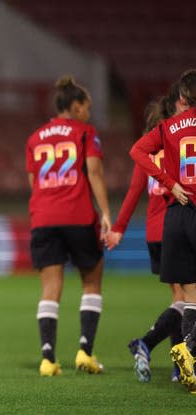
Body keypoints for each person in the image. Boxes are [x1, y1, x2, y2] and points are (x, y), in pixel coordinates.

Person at [25, 75, 111, 377]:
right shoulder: (85, 132)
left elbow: (34, 182)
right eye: (86, 107)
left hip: (44, 219)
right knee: (91, 282)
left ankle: (48, 359)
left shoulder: (35, 138)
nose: (88, 112)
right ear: (75, 107)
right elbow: (95, 173)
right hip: (78, 216)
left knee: (50, 288)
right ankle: (85, 352)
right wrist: (106, 213)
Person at [105, 84, 187, 383]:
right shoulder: (179, 150)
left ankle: (180, 365)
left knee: (179, 298)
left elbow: (133, 192)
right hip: (176, 229)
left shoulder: (149, 152)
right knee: (186, 300)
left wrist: (118, 229)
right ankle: (147, 343)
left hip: (155, 233)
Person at [129, 69, 196, 393]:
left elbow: (136, 156)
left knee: (186, 297)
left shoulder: (167, 129)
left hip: (170, 221)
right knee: (186, 298)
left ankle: (183, 359)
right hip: (189, 213)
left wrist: (170, 182)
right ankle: (181, 349)